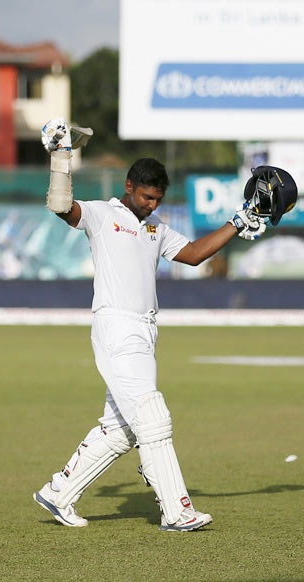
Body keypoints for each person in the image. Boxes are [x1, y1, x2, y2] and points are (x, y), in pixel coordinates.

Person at [33, 118, 266, 532]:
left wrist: (238, 222)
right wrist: (61, 155)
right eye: (145, 197)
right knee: (153, 417)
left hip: (144, 331)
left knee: (122, 429)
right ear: (128, 187)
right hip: (116, 328)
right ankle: (176, 511)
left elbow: (194, 254)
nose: (151, 205)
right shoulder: (103, 215)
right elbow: (60, 205)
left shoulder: (156, 227)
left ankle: (58, 493)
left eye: (157, 199)